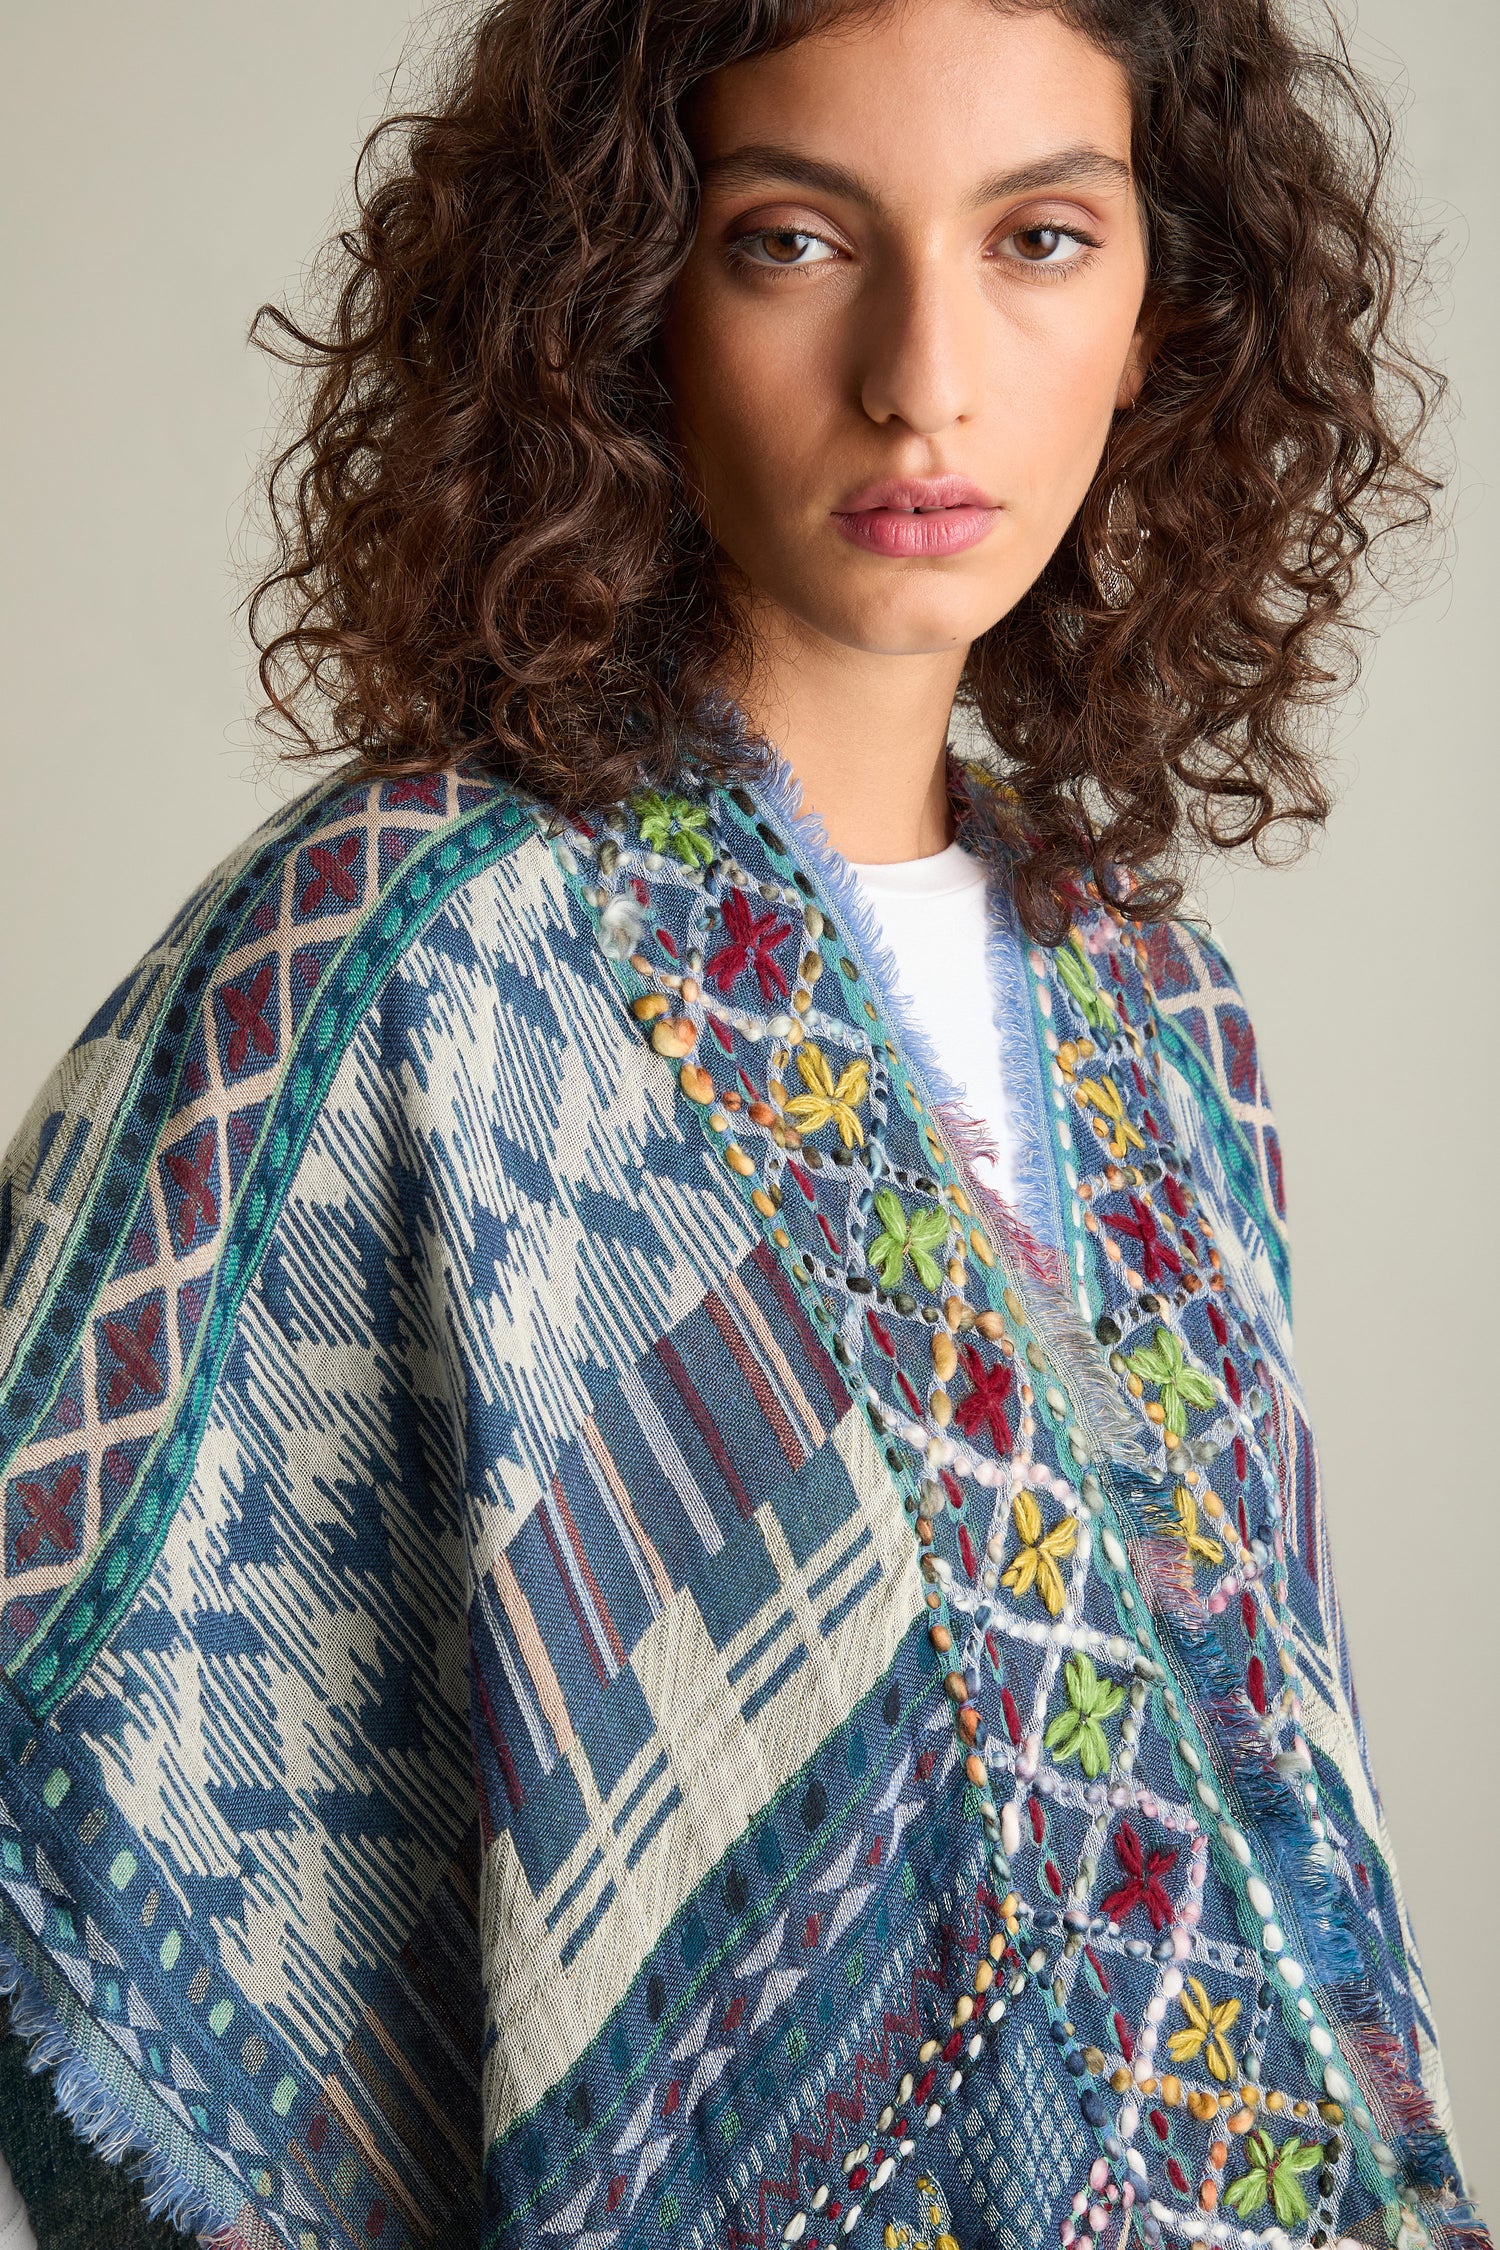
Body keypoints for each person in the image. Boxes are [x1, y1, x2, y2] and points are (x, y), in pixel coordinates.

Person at [0, 0, 1484, 2245]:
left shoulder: (1167, 1021)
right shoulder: (402, 945)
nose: (925, 374)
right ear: (623, 297)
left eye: (1041, 241)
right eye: (796, 238)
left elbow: (1272, 1821)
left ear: (1166, 320)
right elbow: (73, 1680)